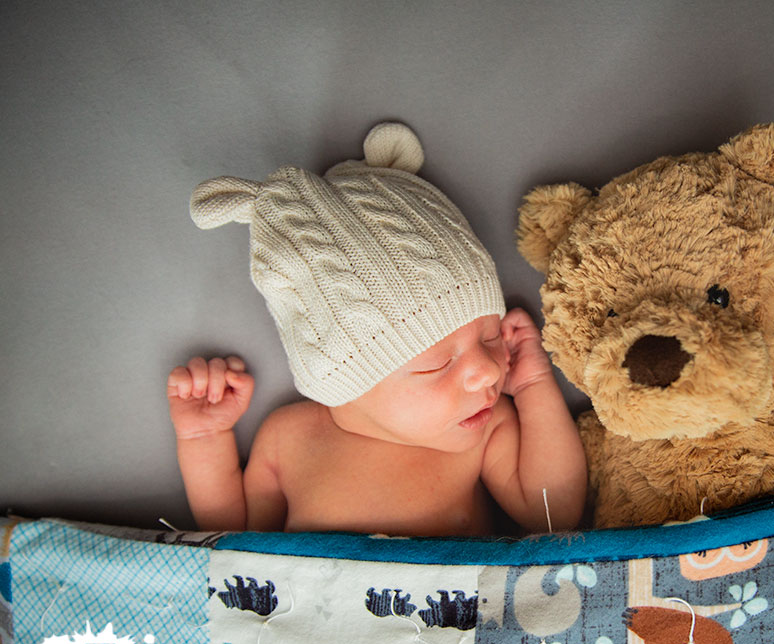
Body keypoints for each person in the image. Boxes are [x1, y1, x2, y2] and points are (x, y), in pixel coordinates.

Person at [167, 122, 586, 537]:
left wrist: (532, 384)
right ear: (347, 378)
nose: (490, 371)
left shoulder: (484, 426)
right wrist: (205, 436)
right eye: (438, 363)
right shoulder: (289, 437)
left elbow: (553, 514)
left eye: (490, 337)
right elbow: (237, 548)